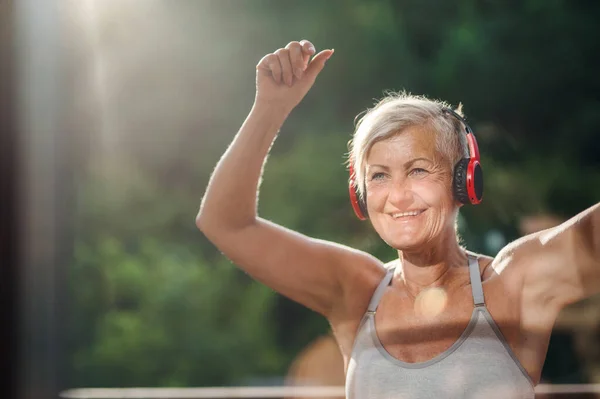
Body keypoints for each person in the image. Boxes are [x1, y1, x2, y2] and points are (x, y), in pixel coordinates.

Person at [196, 40, 600, 399]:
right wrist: (269, 108)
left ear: (464, 180)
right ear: (360, 194)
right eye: (379, 176)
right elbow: (225, 223)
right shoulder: (355, 289)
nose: (398, 196)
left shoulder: (515, 282)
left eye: (419, 170)